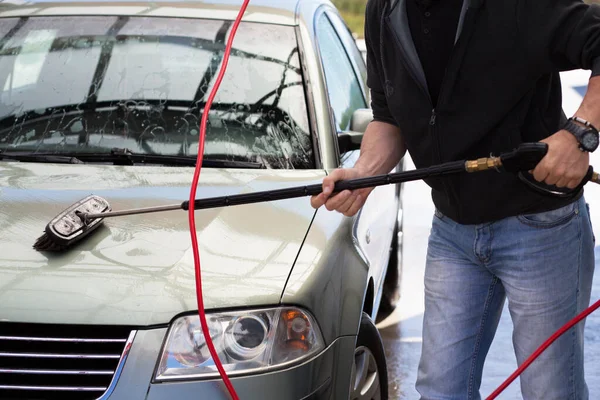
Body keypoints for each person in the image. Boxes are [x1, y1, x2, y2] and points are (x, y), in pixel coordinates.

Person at [310, 0, 600, 399]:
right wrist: (365, 173)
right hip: (453, 231)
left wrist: (580, 133)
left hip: (541, 229)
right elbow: (389, 117)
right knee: (441, 390)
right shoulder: (384, 10)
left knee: (551, 391)